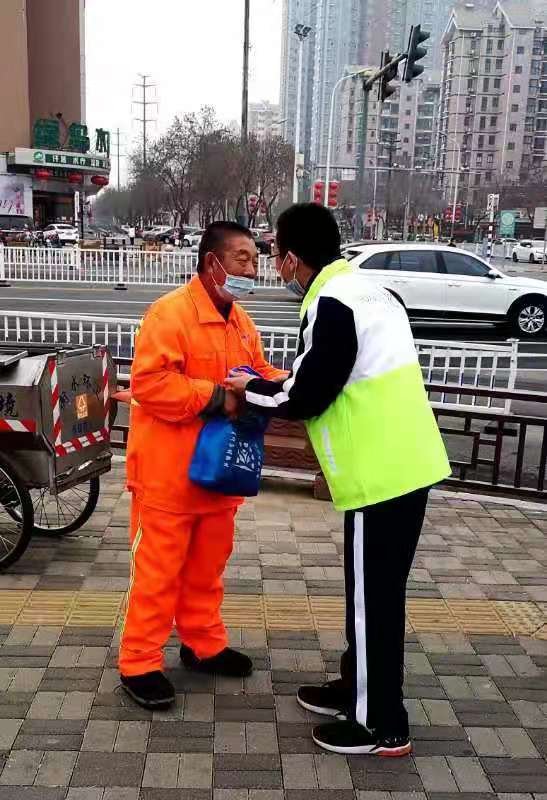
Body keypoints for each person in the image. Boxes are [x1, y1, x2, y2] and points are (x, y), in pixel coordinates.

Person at [226, 204, 451, 756]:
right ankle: (357, 689)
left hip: (380, 473)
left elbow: (306, 396)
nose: (273, 266)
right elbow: (333, 374)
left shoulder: (331, 301)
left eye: (274, 255)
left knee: (373, 601)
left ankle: (381, 725)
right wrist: (270, 382)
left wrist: (246, 390)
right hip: (406, 462)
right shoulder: (371, 291)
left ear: (292, 259)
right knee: (372, 594)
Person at [119, 221, 286, 710]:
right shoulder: (169, 313)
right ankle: (139, 662)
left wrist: (291, 384)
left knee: (207, 570)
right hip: (168, 476)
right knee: (157, 575)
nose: (251, 269)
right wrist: (219, 398)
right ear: (212, 262)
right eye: (242, 258)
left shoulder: (239, 320)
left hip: (218, 475)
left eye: (256, 260)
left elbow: (259, 371)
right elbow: (151, 384)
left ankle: (203, 644)